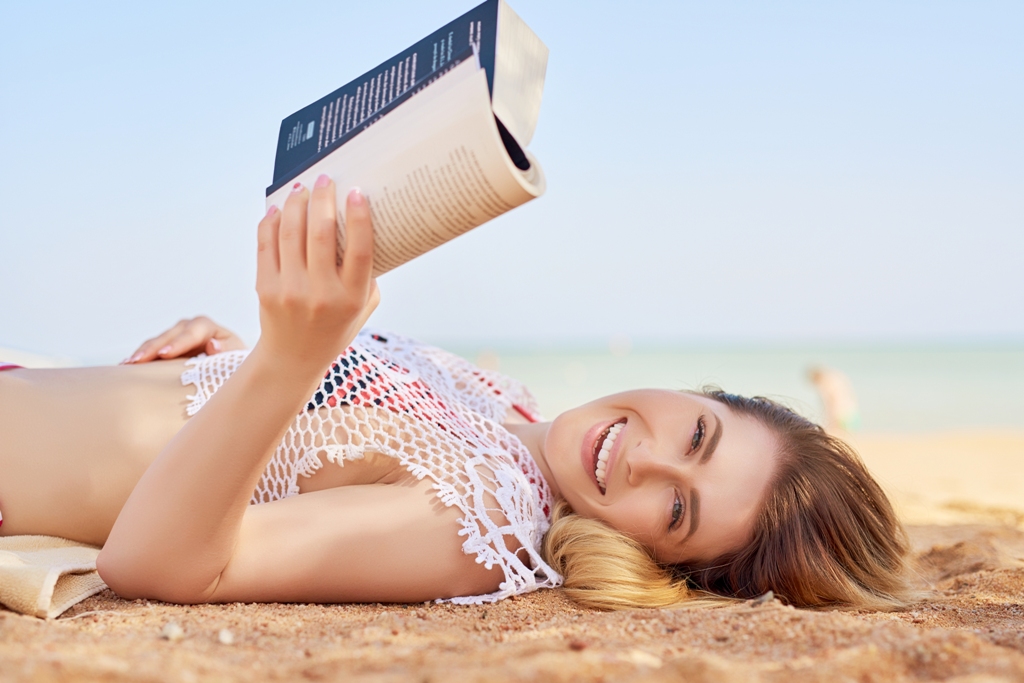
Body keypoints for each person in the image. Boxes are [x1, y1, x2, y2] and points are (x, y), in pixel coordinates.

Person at [0, 176, 910, 610]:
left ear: (659, 558)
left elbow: (162, 566)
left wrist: (282, 360)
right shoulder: (505, 401)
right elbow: (316, 437)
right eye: (698, 434)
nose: (645, 457)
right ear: (697, 393)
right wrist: (233, 365)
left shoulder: (485, 525)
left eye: (674, 506)